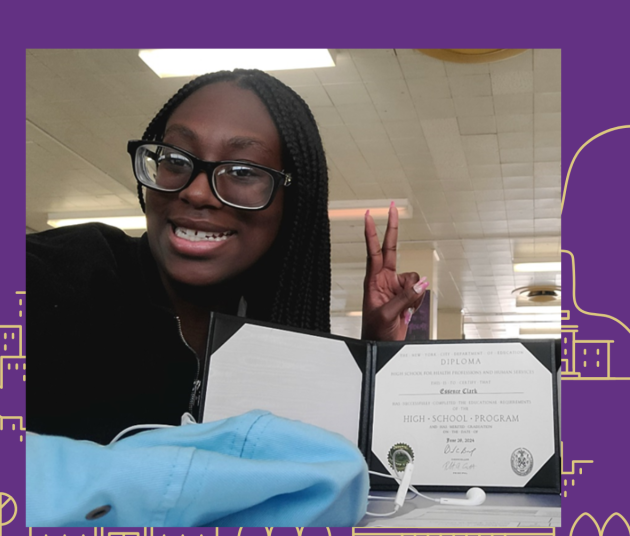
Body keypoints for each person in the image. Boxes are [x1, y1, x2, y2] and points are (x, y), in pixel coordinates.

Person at [27, 69, 427, 447]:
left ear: (293, 200)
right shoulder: (64, 277)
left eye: (241, 170)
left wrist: (375, 355)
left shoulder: (276, 330)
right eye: (175, 160)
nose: (197, 192)